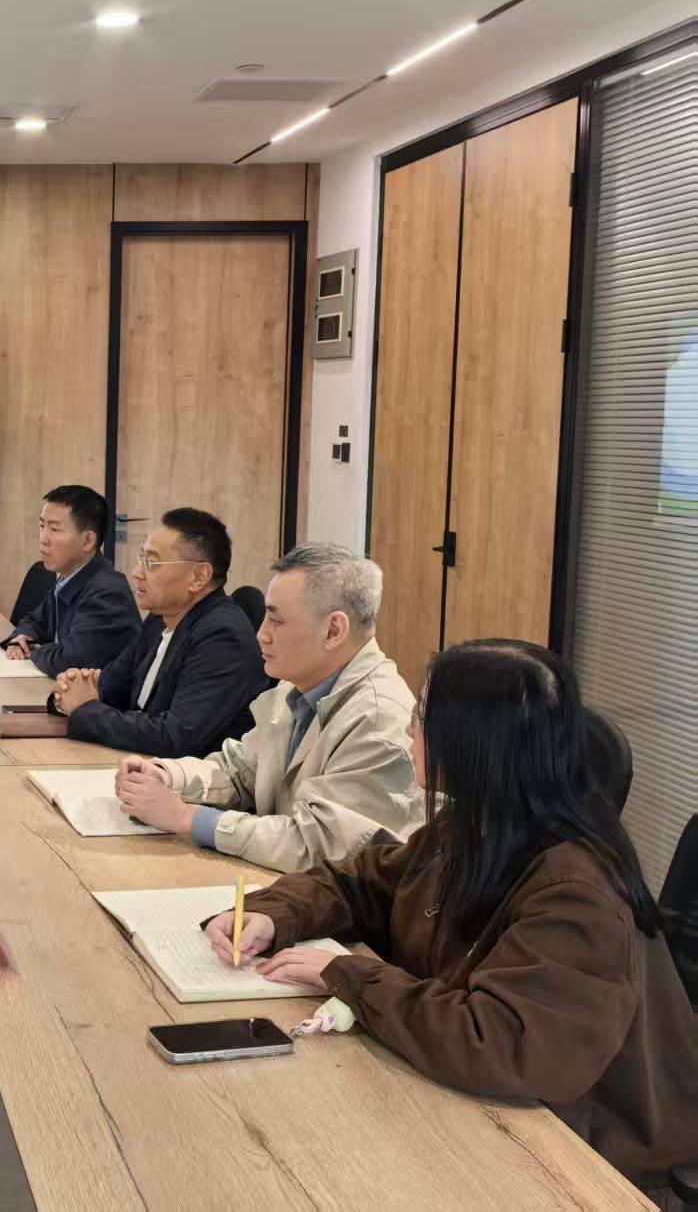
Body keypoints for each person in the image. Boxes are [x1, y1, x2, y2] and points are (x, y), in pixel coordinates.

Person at [203, 641, 698, 1188]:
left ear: (472, 741)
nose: (407, 729)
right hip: (482, 1106)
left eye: (421, 716)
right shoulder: (477, 824)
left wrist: (348, 976)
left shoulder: (577, 893)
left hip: (585, 1157)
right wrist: (274, 915)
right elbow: (363, 883)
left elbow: (500, 1044)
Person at [114, 542, 420, 872]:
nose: (262, 635)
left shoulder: (379, 720)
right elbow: (241, 770)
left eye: (276, 620)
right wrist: (168, 776)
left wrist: (186, 818)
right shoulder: (298, 685)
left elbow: (318, 847)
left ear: (333, 630)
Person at [52, 507, 267, 757]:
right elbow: (112, 684)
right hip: (138, 763)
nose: (136, 572)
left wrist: (84, 708)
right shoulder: (160, 617)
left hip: (189, 776)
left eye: (151, 562)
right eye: (141, 558)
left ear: (199, 576)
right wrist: (70, 691)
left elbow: (175, 737)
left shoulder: (223, 638)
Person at [1, 484, 136, 677]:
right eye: (42, 526)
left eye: (54, 529)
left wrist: (35, 650)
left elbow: (70, 662)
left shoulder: (107, 592)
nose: (43, 538)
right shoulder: (69, 578)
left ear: (88, 541)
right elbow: (34, 620)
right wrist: (21, 638)